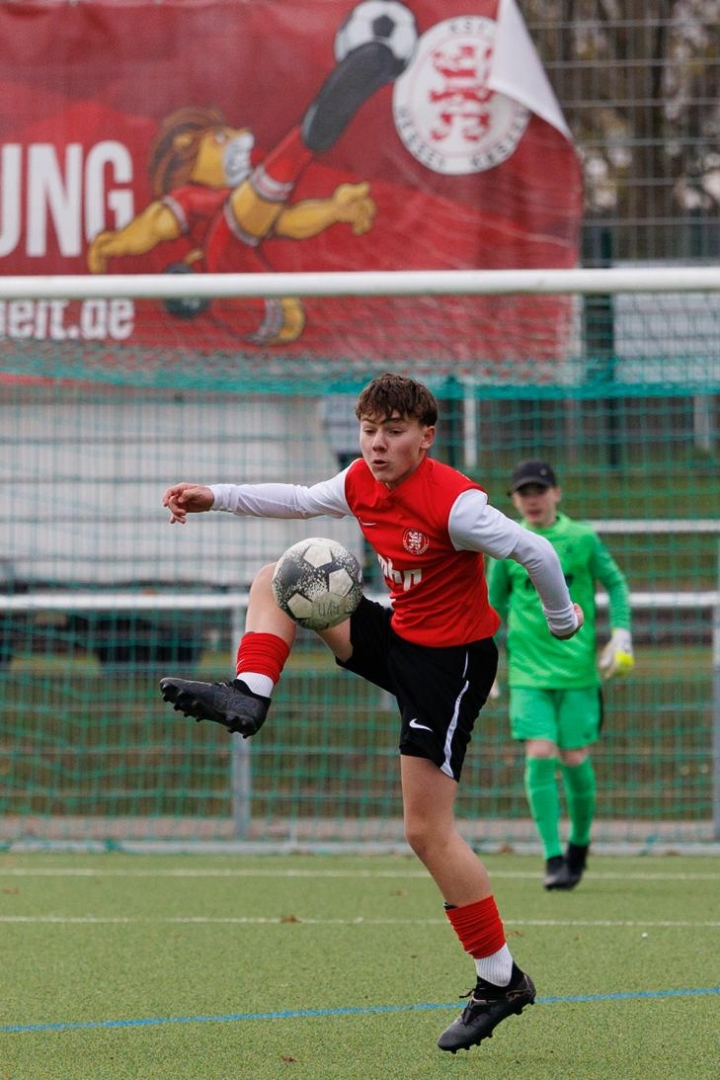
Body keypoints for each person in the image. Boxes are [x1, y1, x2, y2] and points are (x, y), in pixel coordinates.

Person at [159, 375, 584, 1055]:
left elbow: (536, 550)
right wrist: (217, 496)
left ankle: (501, 980)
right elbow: (301, 499)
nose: (378, 444)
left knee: (426, 831)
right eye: (368, 430)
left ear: (426, 437)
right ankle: (250, 692)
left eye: (393, 431)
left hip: (451, 667)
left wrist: (564, 621)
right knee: (278, 575)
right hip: (399, 638)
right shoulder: (361, 479)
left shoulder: (457, 505)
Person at [488, 459, 633, 892]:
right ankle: (552, 856)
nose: (532, 499)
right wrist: (484, 661)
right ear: (514, 500)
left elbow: (616, 584)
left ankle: (579, 846)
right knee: (539, 752)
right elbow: (490, 608)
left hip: (577, 672)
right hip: (528, 674)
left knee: (574, 759)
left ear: (556, 493)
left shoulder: (582, 538)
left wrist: (621, 633)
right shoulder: (506, 545)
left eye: (539, 490)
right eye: (523, 493)